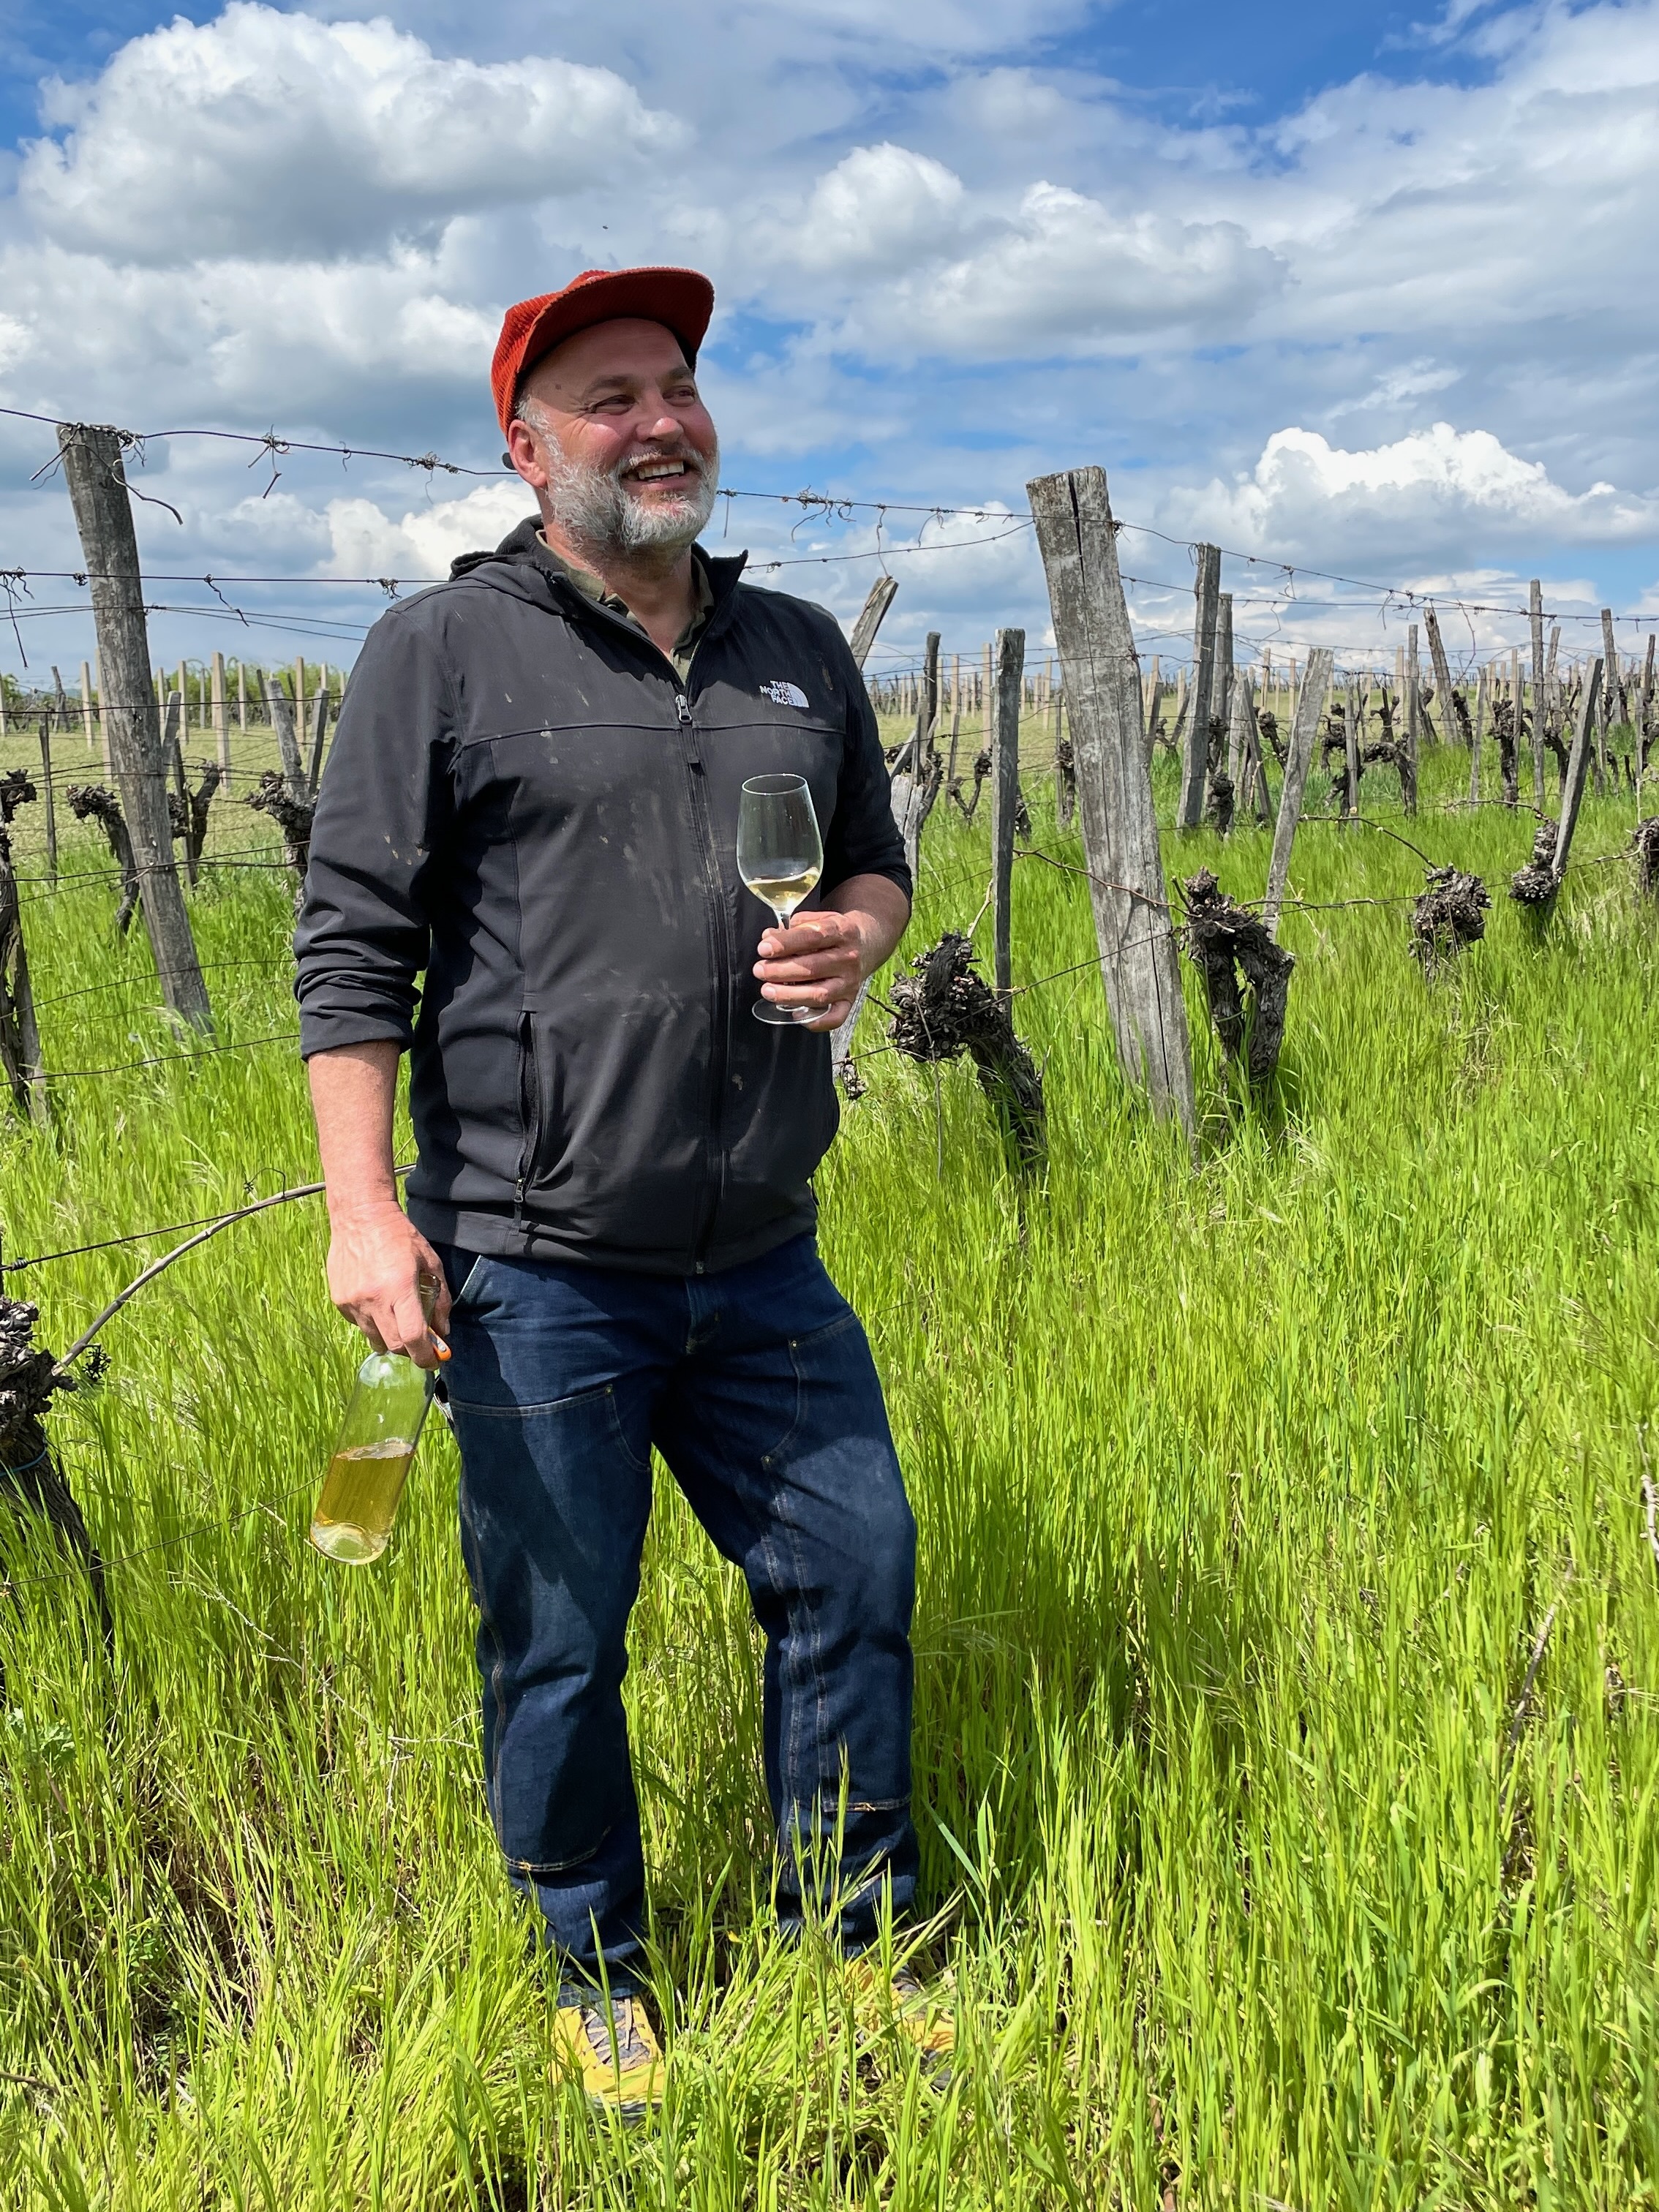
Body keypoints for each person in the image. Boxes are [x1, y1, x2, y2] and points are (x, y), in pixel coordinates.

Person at [295, 266, 949, 2115]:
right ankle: (596, 1970)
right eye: (609, 395)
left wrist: (858, 939)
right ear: (529, 445)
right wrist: (366, 1215)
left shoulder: (798, 649)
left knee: (855, 1572)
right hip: (532, 1265)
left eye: (678, 384)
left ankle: (859, 1935)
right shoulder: (441, 651)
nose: (661, 419)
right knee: (561, 1642)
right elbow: (351, 952)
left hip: (765, 1253)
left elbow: (881, 867)